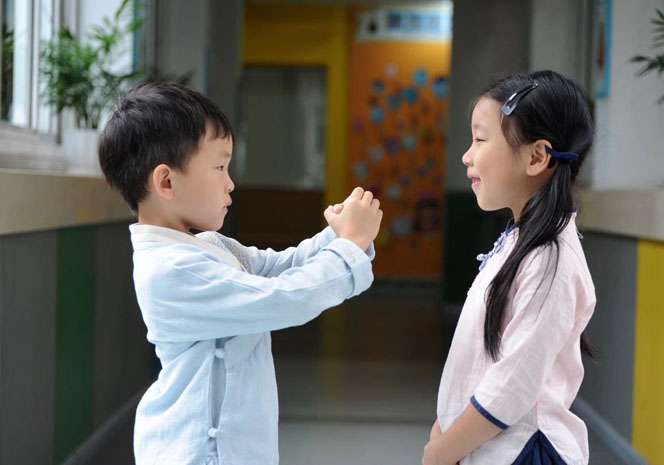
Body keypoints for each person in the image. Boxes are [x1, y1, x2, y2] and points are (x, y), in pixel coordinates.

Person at [98, 82, 383, 465]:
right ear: (166, 182)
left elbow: (277, 267)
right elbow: (281, 299)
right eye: (219, 167)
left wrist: (337, 236)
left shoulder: (204, 244)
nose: (230, 182)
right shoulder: (171, 269)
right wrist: (348, 246)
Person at [423, 71, 596, 465]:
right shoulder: (520, 240)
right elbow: (478, 360)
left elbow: (512, 385)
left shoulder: (550, 257)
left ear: (536, 157)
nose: (467, 156)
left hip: (525, 452)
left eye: (480, 140)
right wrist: (443, 428)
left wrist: (440, 453)